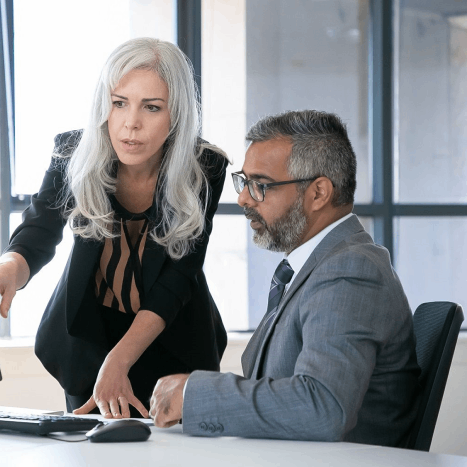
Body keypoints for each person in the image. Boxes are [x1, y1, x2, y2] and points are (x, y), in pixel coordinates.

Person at [0, 37, 230, 419]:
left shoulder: (204, 167)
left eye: (151, 107)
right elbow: (40, 228)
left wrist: (119, 362)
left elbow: (178, 279)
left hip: (170, 339)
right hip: (88, 341)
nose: (131, 123)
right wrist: (7, 270)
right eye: (119, 103)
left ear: (175, 114)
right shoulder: (72, 152)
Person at [149, 110, 420, 447]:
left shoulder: (350, 270)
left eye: (260, 185)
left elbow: (322, 406)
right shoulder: (313, 268)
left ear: (319, 193)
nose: (243, 198)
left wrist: (195, 394)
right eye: (243, 181)